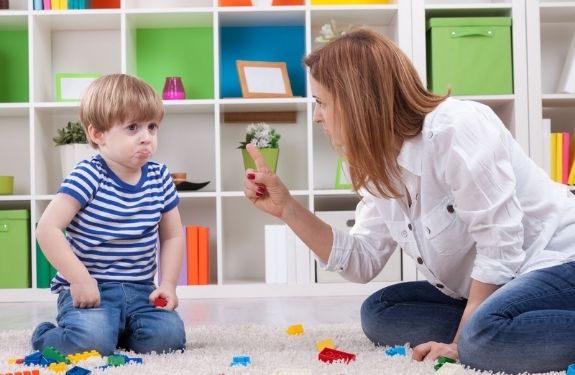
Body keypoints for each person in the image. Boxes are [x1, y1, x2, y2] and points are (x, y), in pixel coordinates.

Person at [243, 28, 575, 374]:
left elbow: (501, 245)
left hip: (558, 260)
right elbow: (362, 260)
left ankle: (485, 332)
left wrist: (460, 343)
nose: (317, 117)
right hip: (502, 283)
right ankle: (496, 326)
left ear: (357, 100)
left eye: (322, 102)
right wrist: (288, 209)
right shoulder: (379, 164)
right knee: (381, 311)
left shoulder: (455, 128)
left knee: (478, 341)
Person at [33, 74, 186, 356]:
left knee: (169, 337)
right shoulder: (88, 175)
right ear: (97, 134)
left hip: (141, 291)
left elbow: (173, 235)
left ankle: (116, 329)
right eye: (133, 127)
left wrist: (168, 284)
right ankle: (47, 335)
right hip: (92, 291)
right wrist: (79, 279)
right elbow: (47, 228)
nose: (146, 137)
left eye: (152, 127)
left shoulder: (160, 177)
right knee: (89, 342)